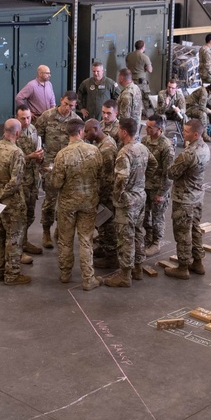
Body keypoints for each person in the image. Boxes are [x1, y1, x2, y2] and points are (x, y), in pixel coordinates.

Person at [48, 118, 103, 291]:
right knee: (86, 239)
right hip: (89, 202)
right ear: (81, 132)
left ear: (68, 133)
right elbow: (101, 176)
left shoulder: (62, 155)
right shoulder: (94, 151)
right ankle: (88, 278)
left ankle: (65, 274)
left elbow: (56, 184)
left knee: (65, 239)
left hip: (67, 204)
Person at [105, 117, 154, 287]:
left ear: (124, 132)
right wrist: (140, 181)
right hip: (140, 197)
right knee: (139, 233)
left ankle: (125, 275)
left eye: (119, 129)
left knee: (125, 236)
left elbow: (121, 178)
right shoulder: (142, 148)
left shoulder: (124, 153)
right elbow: (153, 165)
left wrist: (117, 196)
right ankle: (138, 268)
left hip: (127, 202)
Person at [0, 118, 30, 286]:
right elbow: (15, 183)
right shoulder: (17, 153)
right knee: (13, 239)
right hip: (12, 205)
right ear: (17, 133)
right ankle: (12, 275)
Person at [165, 119, 211, 280]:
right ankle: (198, 262)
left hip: (184, 198)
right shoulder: (205, 147)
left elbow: (172, 173)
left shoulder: (188, 153)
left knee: (183, 233)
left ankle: (183, 266)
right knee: (195, 229)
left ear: (195, 134)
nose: (183, 133)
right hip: (197, 196)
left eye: (186, 131)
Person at [36, 91, 78, 249]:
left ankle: (60, 229)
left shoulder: (76, 120)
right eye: (66, 103)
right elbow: (37, 136)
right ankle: (46, 231)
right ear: (61, 100)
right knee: (50, 200)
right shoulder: (47, 116)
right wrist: (39, 155)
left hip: (68, 166)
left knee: (66, 201)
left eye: (71, 106)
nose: (67, 107)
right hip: (49, 164)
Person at [84, 119, 118, 270]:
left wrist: (99, 198)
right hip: (102, 192)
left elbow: (106, 178)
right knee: (102, 224)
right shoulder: (100, 144)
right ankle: (104, 247)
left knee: (107, 223)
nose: (85, 135)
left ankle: (111, 257)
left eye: (87, 131)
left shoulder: (107, 149)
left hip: (106, 194)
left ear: (96, 129)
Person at [143, 114, 175, 257]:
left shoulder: (166, 146)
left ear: (159, 128)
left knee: (157, 217)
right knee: (144, 215)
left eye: (150, 127)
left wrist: (162, 193)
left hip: (158, 188)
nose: (147, 129)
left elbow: (169, 174)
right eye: (146, 126)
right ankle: (148, 237)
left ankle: (156, 242)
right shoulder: (145, 140)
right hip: (145, 185)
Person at [15, 106, 44, 255]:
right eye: (23, 118)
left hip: (33, 178)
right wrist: (30, 157)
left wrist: (39, 156)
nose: (26, 121)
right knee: (20, 215)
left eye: (28, 117)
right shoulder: (14, 132)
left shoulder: (33, 129)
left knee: (30, 214)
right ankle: (17, 248)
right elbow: (12, 160)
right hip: (20, 180)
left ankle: (24, 242)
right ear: (16, 117)